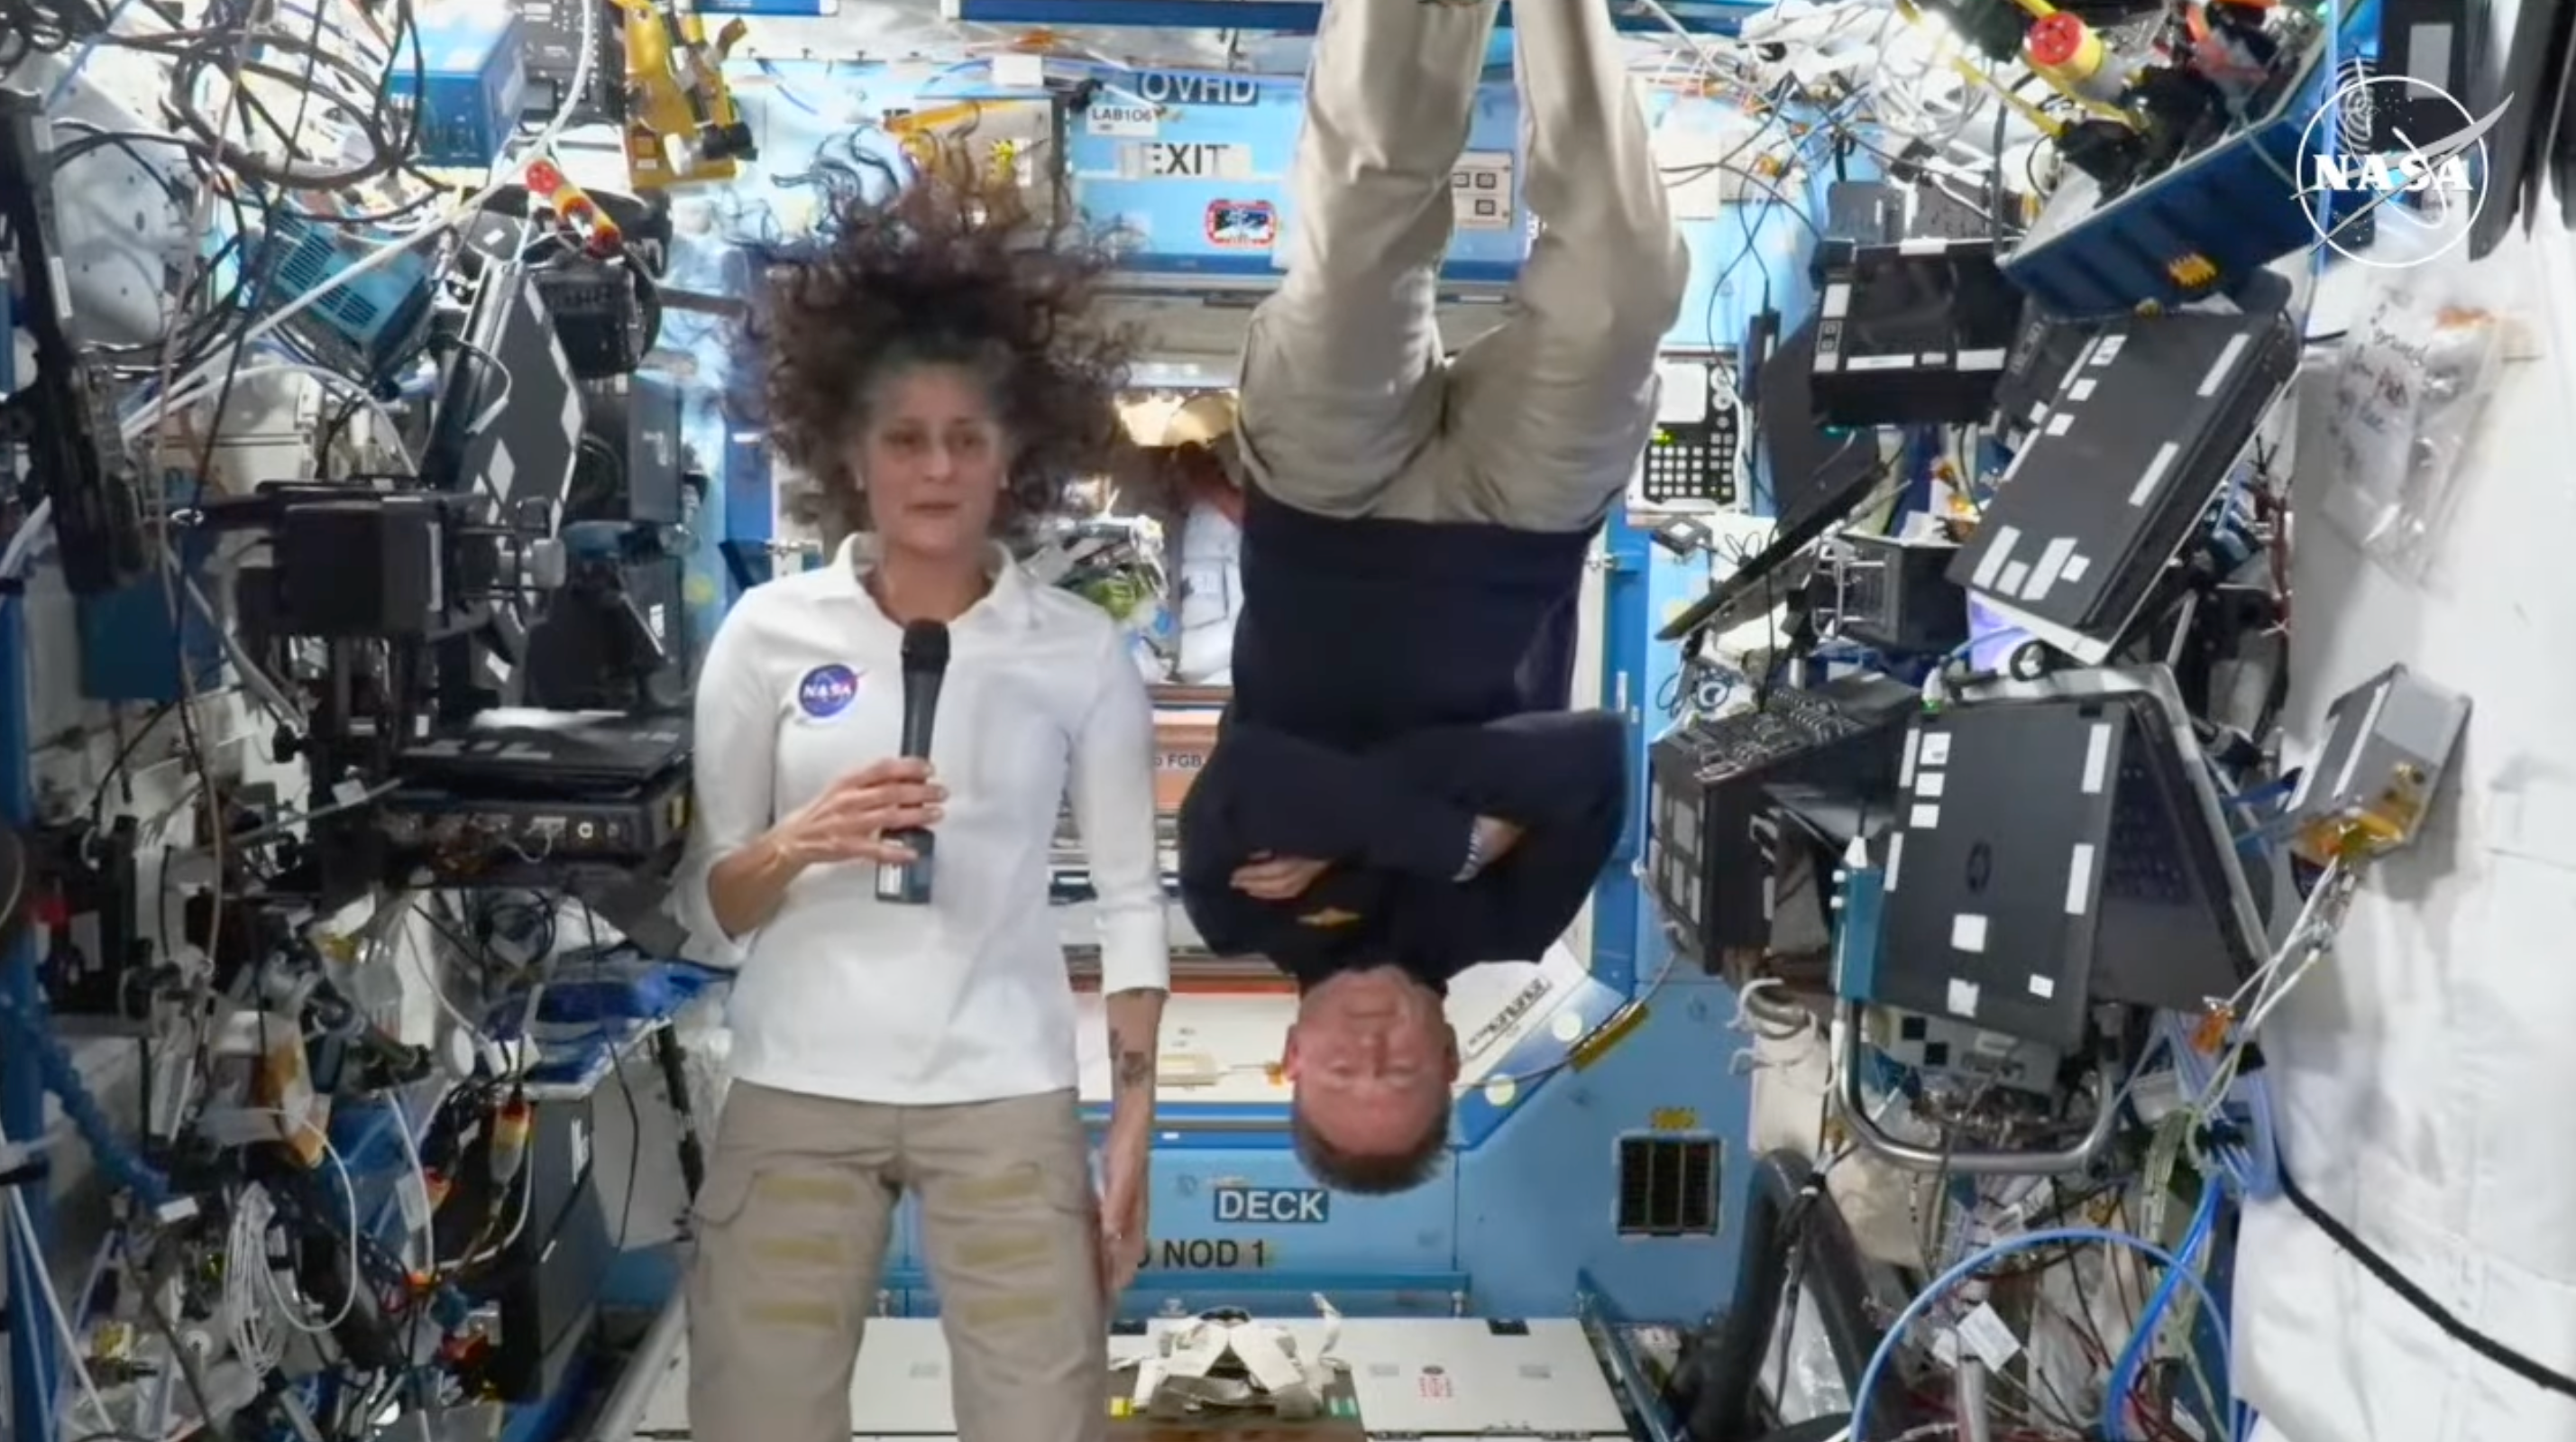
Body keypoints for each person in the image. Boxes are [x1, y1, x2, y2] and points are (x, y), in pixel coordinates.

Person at [676, 152, 1169, 1442]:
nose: (935, 467)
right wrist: (799, 839)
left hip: (1002, 1091)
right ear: (848, 449)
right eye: (904, 437)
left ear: (1014, 456)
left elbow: (1128, 900)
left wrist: (1131, 1130)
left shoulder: (1074, 648)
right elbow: (712, 906)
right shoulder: (767, 634)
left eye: (966, 438)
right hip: (796, 1082)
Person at [1175, 0, 1690, 1195]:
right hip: (1523, 526)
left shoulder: (1231, 913)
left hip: (1321, 511)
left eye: (1337, 1077)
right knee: (1626, 280)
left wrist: (1474, 825)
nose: (1369, 1053)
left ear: (1288, 1057)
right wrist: (1417, 830)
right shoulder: (1513, 923)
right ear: (1449, 1055)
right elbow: (1595, 753)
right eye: (1398, 1078)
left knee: (1358, 236)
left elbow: (1250, 780)